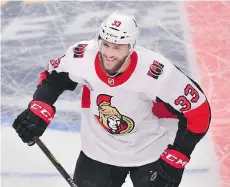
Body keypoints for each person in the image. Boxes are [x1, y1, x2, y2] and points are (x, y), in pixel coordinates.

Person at [12, 11, 211, 187]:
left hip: (150, 152)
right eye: (105, 44)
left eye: (117, 47)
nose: (108, 53)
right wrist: (39, 108)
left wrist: (178, 156)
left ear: (131, 47)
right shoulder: (82, 56)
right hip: (98, 153)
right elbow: (54, 77)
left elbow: (199, 112)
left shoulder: (156, 72)